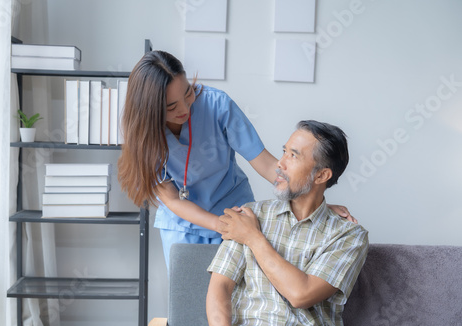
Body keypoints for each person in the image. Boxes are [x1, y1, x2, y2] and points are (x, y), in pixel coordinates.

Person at [117, 50, 356, 268]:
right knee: (190, 302)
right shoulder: (143, 134)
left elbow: (266, 163)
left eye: (188, 92)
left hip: (235, 210)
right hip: (182, 224)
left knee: (239, 303)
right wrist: (218, 224)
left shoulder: (217, 105)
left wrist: (313, 206)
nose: (185, 108)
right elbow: (171, 199)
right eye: (171, 106)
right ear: (150, 109)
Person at [206, 120, 369, 326]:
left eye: (293, 156)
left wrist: (253, 238)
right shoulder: (249, 215)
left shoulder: (348, 235)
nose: (279, 164)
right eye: (284, 152)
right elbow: (220, 287)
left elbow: (301, 294)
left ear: (322, 175)